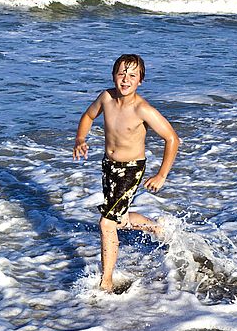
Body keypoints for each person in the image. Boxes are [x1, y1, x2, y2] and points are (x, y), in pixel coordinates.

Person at [73, 54, 180, 291]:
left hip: (131, 169)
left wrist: (161, 174)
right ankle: (156, 227)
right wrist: (81, 138)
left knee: (106, 223)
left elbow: (172, 138)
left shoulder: (143, 109)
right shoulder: (106, 98)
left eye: (132, 75)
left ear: (140, 80)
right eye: (121, 73)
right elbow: (89, 116)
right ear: (113, 75)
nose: (125, 79)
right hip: (108, 166)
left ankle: (106, 282)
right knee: (118, 218)